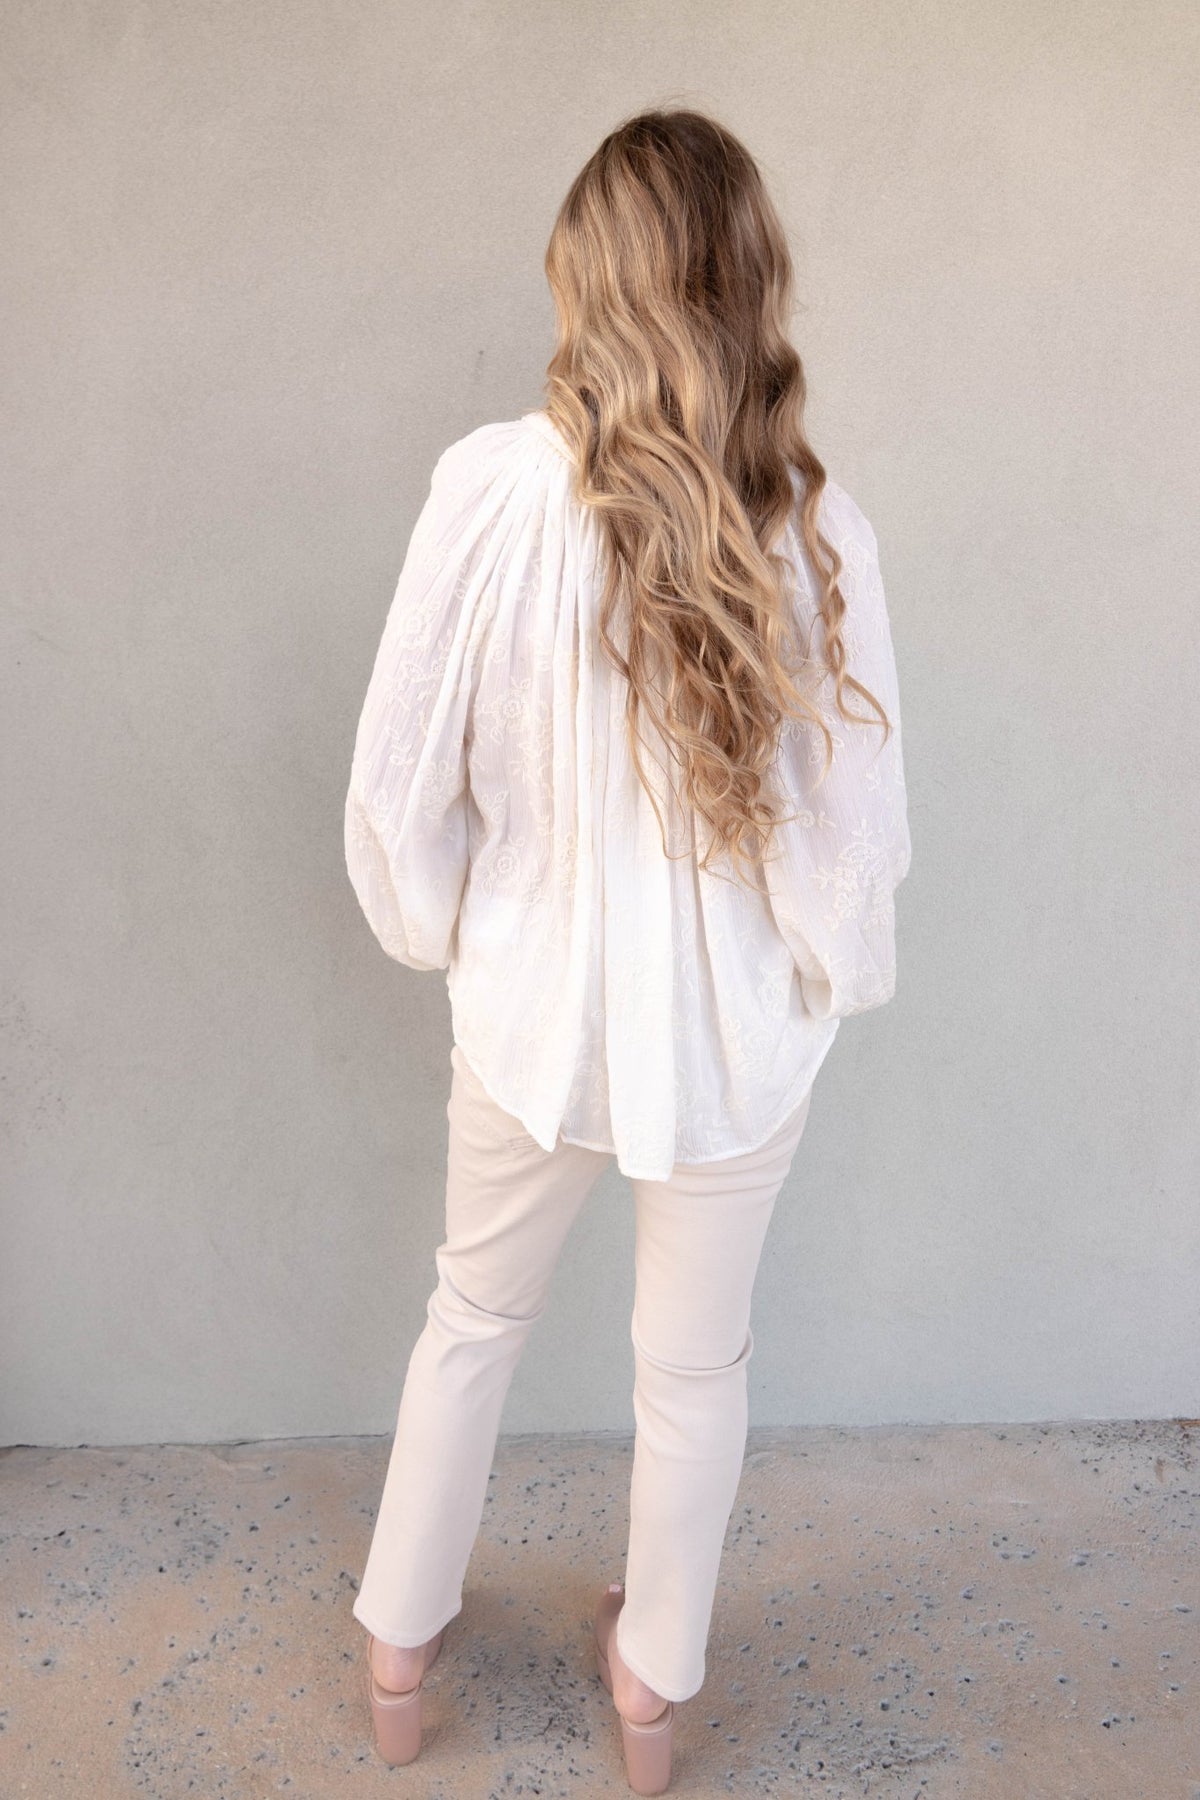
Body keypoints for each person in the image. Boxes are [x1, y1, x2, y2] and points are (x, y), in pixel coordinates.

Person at [342, 106, 911, 1795]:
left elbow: (399, 777)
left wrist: (450, 930)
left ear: (583, 276)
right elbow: (847, 839)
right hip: (734, 1041)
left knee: (470, 1315)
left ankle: (396, 1645)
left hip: (530, 1013)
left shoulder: (488, 492)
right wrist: (824, 977)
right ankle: (654, 1688)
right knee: (695, 1370)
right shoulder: (811, 524)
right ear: (750, 279)